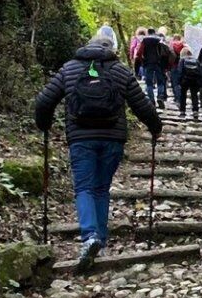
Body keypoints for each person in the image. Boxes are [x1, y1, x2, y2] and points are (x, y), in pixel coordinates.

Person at [34, 25, 161, 271]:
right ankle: (99, 241)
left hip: (81, 138)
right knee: (101, 188)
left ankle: (90, 236)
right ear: (111, 48)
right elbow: (142, 105)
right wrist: (156, 128)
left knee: (84, 187)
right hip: (113, 138)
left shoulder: (69, 69)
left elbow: (43, 102)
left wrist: (45, 125)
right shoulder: (120, 71)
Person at [136, 28, 166, 109]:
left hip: (148, 63)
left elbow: (139, 52)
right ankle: (160, 97)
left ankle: (152, 100)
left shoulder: (144, 40)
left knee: (149, 83)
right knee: (160, 82)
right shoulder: (159, 40)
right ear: (154, 32)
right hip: (158, 63)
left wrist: (141, 61)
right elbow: (165, 51)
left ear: (148, 33)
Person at [178, 45, 202, 120]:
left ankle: (182, 111)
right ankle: (195, 111)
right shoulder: (196, 60)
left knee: (183, 95)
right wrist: (200, 82)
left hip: (185, 80)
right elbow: (200, 71)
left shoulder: (182, 60)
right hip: (194, 80)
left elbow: (180, 71)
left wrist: (179, 81)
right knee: (194, 95)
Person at [169, 34, 185, 108]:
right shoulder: (184, 45)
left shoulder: (171, 45)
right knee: (181, 83)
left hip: (173, 66)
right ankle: (181, 98)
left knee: (175, 83)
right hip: (183, 66)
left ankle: (177, 99)